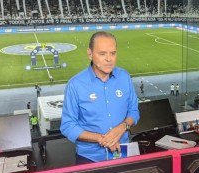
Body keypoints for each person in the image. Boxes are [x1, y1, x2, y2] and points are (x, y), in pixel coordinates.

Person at [60, 31, 140, 164]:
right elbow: (68, 126)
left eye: (113, 53)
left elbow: (134, 111)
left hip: (123, 153)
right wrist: (101, 138)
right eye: (102, 54)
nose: (109, 59)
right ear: (90, 54)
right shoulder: (75, 84)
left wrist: (122, 127)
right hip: (89, 158)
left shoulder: (124, 77)